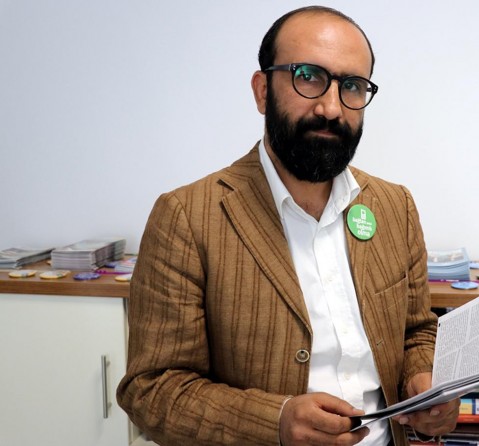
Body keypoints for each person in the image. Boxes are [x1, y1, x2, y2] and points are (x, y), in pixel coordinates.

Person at [117, 6, 459, 445]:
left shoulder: (395, 206)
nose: (331, 107)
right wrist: (273, 422)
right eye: (308, 77)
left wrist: (423, 380)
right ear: (263, 91)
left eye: (352, 86)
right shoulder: (186, 217)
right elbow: (152, 390)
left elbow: (416, 330)